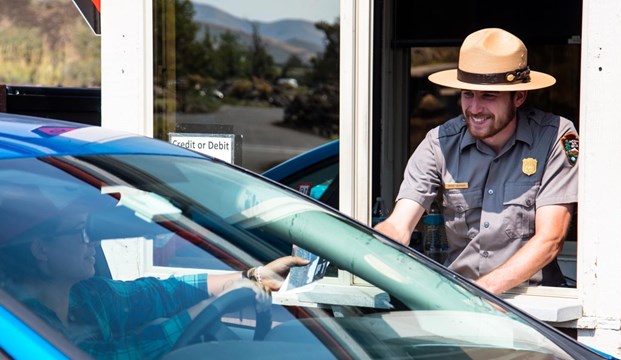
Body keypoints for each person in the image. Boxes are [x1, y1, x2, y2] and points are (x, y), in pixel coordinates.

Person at [374, 28, 579, 295]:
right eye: (467, 94)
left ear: (519, 97)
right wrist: (375, 245)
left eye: (488, 96)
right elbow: (399, 224)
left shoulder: (555, 137)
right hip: (460, 302)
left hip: (535, 308)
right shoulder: (439, 142)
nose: (474, 108)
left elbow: (550, 240)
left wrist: (480, 294)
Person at [0, 189, 309, 359]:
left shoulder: (88, 295)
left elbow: (160, 292)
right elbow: (118, 356)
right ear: (41, 250)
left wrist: (251, 277)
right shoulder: (23, 325)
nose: (93, 241)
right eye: (81, 232)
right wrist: (205, 310)